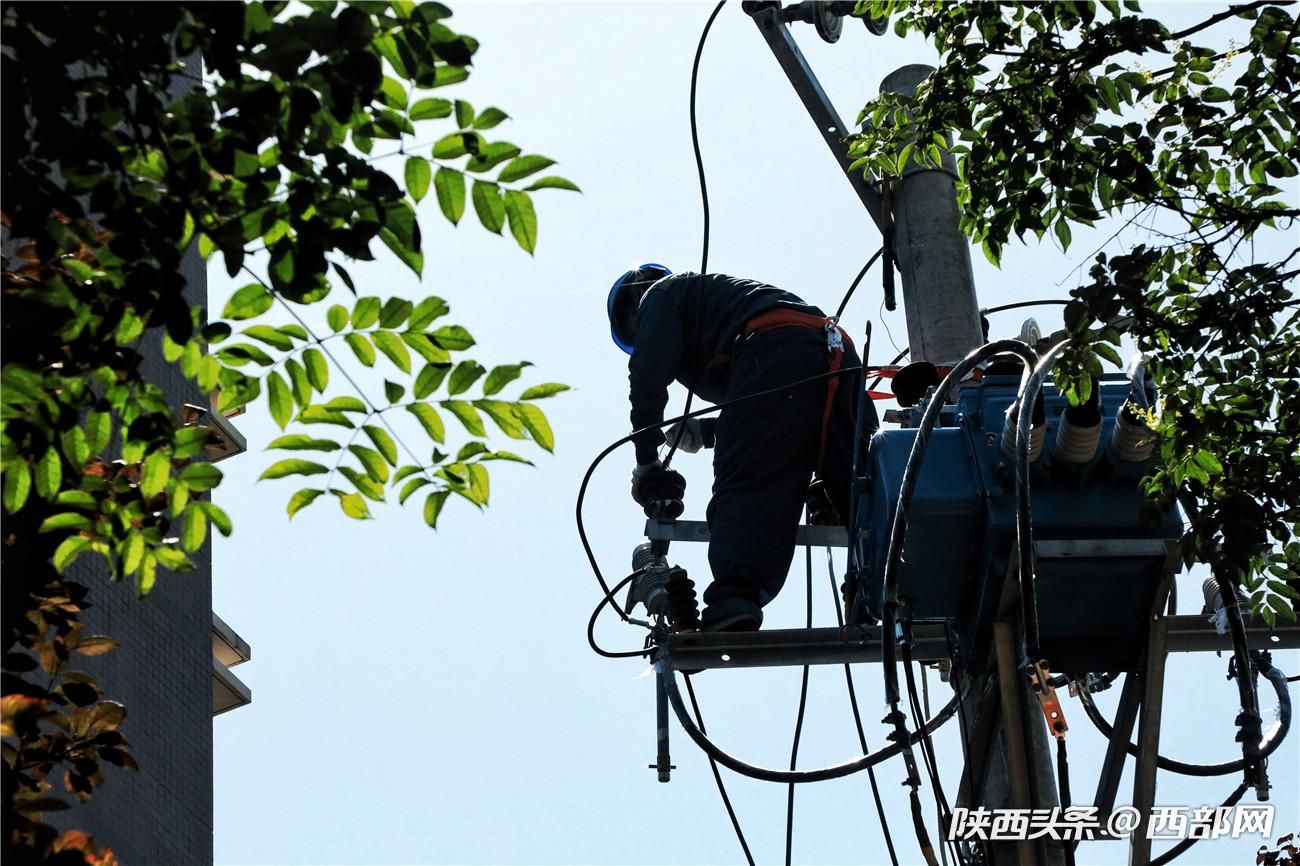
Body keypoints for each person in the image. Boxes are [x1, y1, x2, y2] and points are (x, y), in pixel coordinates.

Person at [607, 264, 878, 632]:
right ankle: (888, 582)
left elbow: (647, 379)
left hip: (776, 351)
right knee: (860, 490)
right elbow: (776, 411)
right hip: (837, 356)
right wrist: (710, 431)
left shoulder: (659, 296)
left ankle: (736, 596)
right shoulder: (718, 303)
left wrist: (646, 463)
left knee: (750, 483)